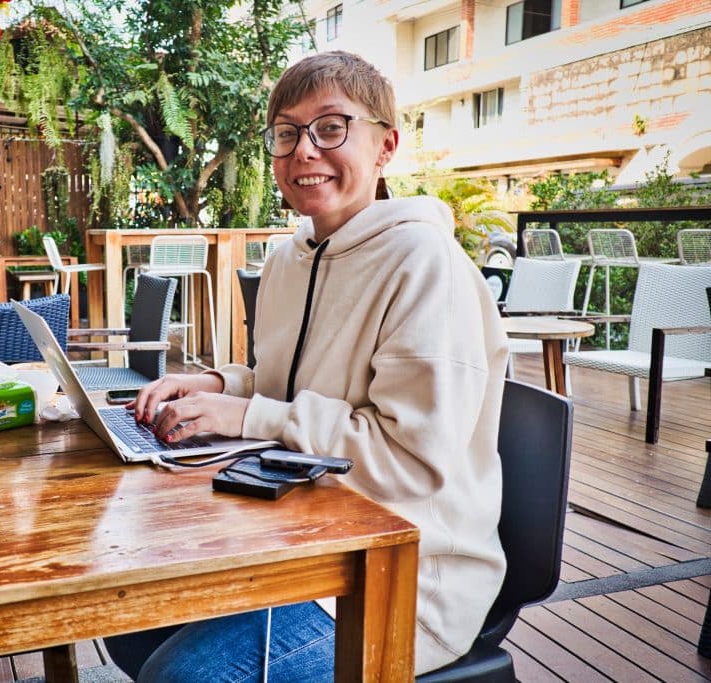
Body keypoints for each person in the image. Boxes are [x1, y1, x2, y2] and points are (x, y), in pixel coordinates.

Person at [105, 50, 509, 680]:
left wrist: (247, 415)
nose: (304, 151)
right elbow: (281, 381)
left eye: (330, 127)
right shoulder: (289, 258)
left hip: (401, 574)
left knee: (181, 676)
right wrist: (218, 384)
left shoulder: (426, 264)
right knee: (128, 622)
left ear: (386, 147)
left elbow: (411, 461)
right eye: (287, 134)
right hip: (293, 534)